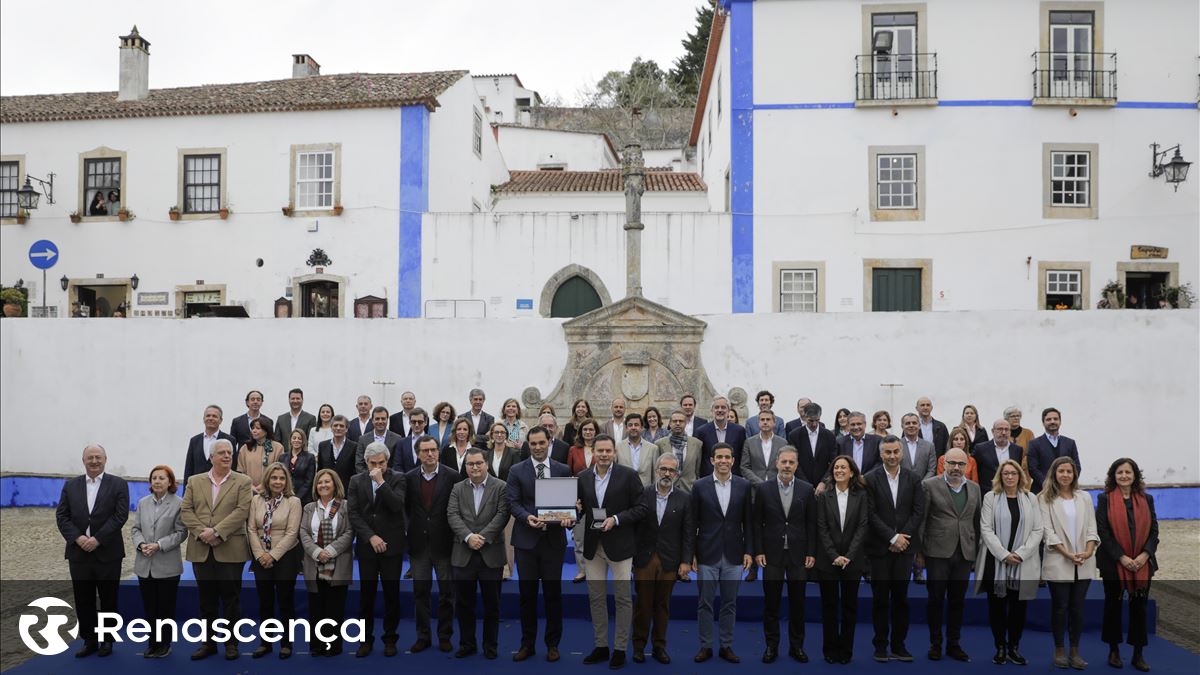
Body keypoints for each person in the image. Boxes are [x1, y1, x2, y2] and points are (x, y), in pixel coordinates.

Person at [578, 434, 646, 669]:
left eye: (608, 451)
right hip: (593, 547)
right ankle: (601, 646)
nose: (604, 454)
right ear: (593, 452)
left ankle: (619, 649)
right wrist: (570, 512)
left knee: (623, 599)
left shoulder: (628, 475)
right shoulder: (583, 477)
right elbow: (579, 510)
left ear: (614, 453)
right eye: (600, 451)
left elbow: (641, 508)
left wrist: (616, 519)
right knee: (596, 598)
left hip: (620, 546)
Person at [180, 439, 252, 660]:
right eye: (221, 452)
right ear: (211, 457)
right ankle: (208, 643)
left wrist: (218, 532)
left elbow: (242, 511)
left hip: (230, 548)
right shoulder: (194, 480)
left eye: (229, 452)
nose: (227, 456)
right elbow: (186, 510)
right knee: (206, 599)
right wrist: (203, 532)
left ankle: (231, 644)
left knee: (231, 599)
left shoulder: (243, 481)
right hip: (202, 548)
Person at [507, 426, 574, 662]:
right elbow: (512, 503)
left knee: (553, 595)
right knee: (527, 596)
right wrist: (527, 517)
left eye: (541, 443)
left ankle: (553, 644)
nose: (537, 447)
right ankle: (527, 644)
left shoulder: (563, 469)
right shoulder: (516, 470)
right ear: (528, 444)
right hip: (526, 541)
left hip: (553, 542)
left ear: (549, 442)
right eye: (533, 444)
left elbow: (568, 506)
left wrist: (568, 517)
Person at [56, 444, 129, 658]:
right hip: (78, 553)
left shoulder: (118, 484)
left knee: (108, 598)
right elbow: (62, 516)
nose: (94, 461)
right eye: (90, 458)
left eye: (98, 457)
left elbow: (120, 516)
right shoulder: (71, 486)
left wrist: (97, 539)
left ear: (106, 459)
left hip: (108, 552)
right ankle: (89, 640)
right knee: (83, 598)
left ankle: (107, 640)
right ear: (83, 461)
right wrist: (78, 537)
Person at [975, 459, 1042, 666]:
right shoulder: (991, 497)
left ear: (1020, 476)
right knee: (996, 608)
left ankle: (1014, 647)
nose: (1010, 477)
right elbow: (986, 529)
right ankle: (1000, 647)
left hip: (1023, 562)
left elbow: (1038, 530)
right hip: (996, 563)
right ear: (1000, 476)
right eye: (1006, 474)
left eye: (1014, 473)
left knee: (1018, 609)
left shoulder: (1031, 498)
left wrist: (1021, 554)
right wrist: (1004, 555)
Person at [752, 447, 817, 664]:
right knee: (771, 604)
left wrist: (811, 552)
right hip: (772, 555)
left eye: (791, 462)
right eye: (784, 462)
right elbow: (756, 524)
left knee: (798, 604)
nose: (787, 466)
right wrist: (758, 550)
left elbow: (811, 524)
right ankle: (771, 646)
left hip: (798, 555)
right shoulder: (763, 489)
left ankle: (796, 647)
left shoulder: (807, 490)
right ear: (777, 463)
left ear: (797, 465)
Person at [691, 443, 753, 664]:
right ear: (712, 460)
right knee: (705, 603)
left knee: (730, 603)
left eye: (728, 457)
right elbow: (692, 523)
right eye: (719, 457)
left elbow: (749, 522)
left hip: (735, 555)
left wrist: (749, 551)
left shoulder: (744, 486)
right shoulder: (699, 486)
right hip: (707, 553)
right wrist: (692, 554)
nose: (724, 461)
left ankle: (726, 645)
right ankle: (706, 646)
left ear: (733, 460)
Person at [865, 436, 925, 663]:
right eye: (887, 452)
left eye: (895, 452)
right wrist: (891, 537)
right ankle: (880, 646)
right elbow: (869, 513)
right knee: (880, 599)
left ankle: (899, 645)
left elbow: (918, 511)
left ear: (901, 453)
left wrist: (902, 538)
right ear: (881, 454)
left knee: (901, 599)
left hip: (905, 549)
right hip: (880, 548)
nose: (891, 456)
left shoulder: (913, 478)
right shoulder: (870, 479)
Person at [447, 447, 510, 659]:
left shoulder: (501, 486)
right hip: (463, 554)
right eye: (470, 464)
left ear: (486, 464)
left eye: (478, 463)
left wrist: (481, 537)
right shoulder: (457, 488)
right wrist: (468, 537)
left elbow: (502, 514)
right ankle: (467, 644)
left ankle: (490, 646)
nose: (474, 467)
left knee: (492, 604)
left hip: (490, 553)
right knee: (464, 605)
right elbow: (452, 514)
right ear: (465, 467)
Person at [920, 447, 981, 663]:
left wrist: (976, 552)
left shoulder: (974, 489)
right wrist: (920, 553)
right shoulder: (929, 485)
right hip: (937, 552)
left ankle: (954, 644)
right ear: (944, 463)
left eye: (961, 464)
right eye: (952, 463)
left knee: (958, 601)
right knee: (935, 600)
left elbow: (977, 522)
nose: (956, 468)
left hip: (964, 553)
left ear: (968, 466)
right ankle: (935, 644)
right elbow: (922, 520)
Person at [1096, 458, 1157, 672]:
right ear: (1113, 475)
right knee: (1113, 606)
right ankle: (1113, 650)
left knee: (1138, 608)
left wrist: (1145, 555)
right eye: (1119, 472)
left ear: (1135, 475)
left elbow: (1154, 532)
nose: (1124, 476)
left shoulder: (1147, 499)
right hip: (1113, 563)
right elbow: (1103, 531)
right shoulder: (1104, 499)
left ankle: (1138, 654)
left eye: (1128, 472)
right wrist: (1121, 557)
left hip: (1142, 563)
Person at [632, 454, 694, 665]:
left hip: (670, 560)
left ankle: (659, 646)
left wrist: (686, 561)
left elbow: (688, 533)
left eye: (672, 470)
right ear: (657, 470)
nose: (667, 473)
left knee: (662, 605)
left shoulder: (685, 498)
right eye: (663, 469)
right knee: (643, 605)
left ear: (677, 474)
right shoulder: (642, 494)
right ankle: (638, 647)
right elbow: (634, 526)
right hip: (644, 558)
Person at [347, 442, 407, 657]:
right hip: (367, 546)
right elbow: (353, 513)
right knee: (366, 596)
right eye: (373, 463)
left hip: (392, 545)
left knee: (392, 595)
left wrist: (381, 482)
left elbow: (397, 505)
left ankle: (390, 639)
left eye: (381, 463)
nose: (377, 467)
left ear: (387, 461)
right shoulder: (356, 480)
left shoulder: (398, 478)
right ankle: (365, 640)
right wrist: (370, 536)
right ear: (366, 462)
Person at [1040, 456, 1099, 670]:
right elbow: (1048, 532)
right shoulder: (1044, 498)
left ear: (1074, 474)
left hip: (1084, 560)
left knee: (1078, 609)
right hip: (1058, 560)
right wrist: (1067, 554)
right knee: (1060, 607)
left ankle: (1075, 650)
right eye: (1061, 471)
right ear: (1054, 474)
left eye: (1069, 471)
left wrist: (1089, 550)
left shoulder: (1083, 497)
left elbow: (1092, 528)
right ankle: (1059, 650)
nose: (1065, 475)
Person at [406, 435, 461, 653]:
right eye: (425, 450)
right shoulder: (409, 478)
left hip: (444, 544)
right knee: (421, 592)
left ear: (439, 452)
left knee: (447, 593)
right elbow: (406, 508)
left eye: (433, 450)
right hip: (419, 544)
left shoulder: (453, 476)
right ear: (418, 454)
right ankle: (423, 636)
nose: (430, 454)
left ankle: (445, 635)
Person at [247, 462, 303, 659]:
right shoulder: (256, 501)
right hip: (261, 557)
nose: (278, 481)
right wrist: (260, 554)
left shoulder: (293, 501)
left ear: (286, 481)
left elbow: (292, 533)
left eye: (281, 478)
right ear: (267, 480)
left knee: (285, 601)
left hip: (285, 556)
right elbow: (252, 529)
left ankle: (286, 643)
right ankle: (265, 643)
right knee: (265, 602)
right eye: (274, 478)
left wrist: (273, 555)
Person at [816, 455, 868, 664]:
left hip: (852, 561)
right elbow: (821, 527)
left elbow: (862, 526)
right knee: (829, 607)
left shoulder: (862, 495)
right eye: (836, 467)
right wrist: (834, 555)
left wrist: (848, 556)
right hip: (828, 561)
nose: (839, 470)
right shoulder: (824, 495)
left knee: (849, 607)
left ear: (852, 472)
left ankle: (846, 650)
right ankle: (829, 649)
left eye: (843, 467)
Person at [132, 465, 186, 659]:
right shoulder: (142, 502)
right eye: (154, 478)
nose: (157, 481)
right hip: (144, 564)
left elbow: (181, 533)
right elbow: (135, 528)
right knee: (150, 607)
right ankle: (152, 642)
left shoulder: (179, 503)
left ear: (170, 482)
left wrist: (159, 545)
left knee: (165, 607)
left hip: (167, 565)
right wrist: (141, 545)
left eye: (162, 478)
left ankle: (165, 643)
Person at [300, 469, 353, 656]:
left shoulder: (345, 506)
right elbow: (304, 532)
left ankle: (333, 646)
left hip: (338, 562)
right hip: (314, 562)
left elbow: (348, 532)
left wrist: (330, 551)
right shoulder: (309, 508)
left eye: (327, 482)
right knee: (316, 607)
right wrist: (316, 552)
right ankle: (316, 645)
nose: (323, 485)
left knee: (335, 607)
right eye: (320, 482)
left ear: (335, 484)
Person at [568, 417, 602, 581]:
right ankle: (582, 570)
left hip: (599, 499)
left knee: (598, 535)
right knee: (579, 536)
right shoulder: (573, 450)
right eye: (585, 429)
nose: (588, 432)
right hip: (579, 500)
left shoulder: (602, 449)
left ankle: (597, 570)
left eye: (591, 429)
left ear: (596, 432)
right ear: (581, 432)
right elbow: (569, 473)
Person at [484, 422, 519, 579]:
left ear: (506, 435)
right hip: (489, 499)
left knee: (507, 537)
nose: (499, 435)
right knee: (491, 534)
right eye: (496, 432)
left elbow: (516, 477)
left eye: (502, 432)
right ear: (491, 435)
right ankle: (492, 567)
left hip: (508, 499)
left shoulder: (513, 453)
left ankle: (507, 571)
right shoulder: (486, 454)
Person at [1027, 408, 1081, 492]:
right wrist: (1048, 484)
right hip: (1042, 490)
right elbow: (1032, 469)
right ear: (1043, 422)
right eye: (1048, 419)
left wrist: (1066, 483)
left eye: (1055, 419)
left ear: (1060, 421)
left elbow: (1076, 466)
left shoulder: (1070, 443)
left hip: (1066, 490)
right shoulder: (1034, 444)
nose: (1052, 421)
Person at [787, 402, 836, 491]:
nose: (814, 424)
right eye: (811, 421)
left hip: (824, 487)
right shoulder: (794, 436)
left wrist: (823, 482)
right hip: (801, 485)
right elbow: (793, 461)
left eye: (817, 420)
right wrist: (806, 484)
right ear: (804, 417)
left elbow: (833, 461)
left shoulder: (829, 436)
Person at [184, 404, 238, 484]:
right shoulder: (194, 441)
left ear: (221, 420)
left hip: (221, 486)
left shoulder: (229, 440)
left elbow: (233, 466)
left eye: (214, 416)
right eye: (208, 416)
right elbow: (189, 467)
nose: (210, 418)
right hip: (198, 486)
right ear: (203, 419)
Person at [695, 396, 748, 477]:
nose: (720, 410)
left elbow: (741, 456)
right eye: (716, 407)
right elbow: (699, 458)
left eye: (723, 407)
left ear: (728, 410)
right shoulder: (701, 431)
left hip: (733, 477)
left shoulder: (739, 431)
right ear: (712, 410)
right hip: (708, 478)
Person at [656, 410, 703, 492]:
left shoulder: (697, 444)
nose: (677, 423)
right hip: (666, 489)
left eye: (681, 421)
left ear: (686, 423)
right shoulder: (660, 443)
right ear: (670, 424)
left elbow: (697, 470)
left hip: (689, 489)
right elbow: (657, 469)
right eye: (674, 421)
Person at [237, 417, 284, 495]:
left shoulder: (278, 448)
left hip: (271, 490)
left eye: (258, 428)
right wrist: (250, 486)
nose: (254, 431)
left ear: (266, 431)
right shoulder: (245, 448)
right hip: (248, 490)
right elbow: (240, 471)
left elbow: (279, 470)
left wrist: (264, 485)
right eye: (253, 428)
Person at [742, 409, 788, 485]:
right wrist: (759, 483)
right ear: (758, 423)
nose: (765, 422)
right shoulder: (749, 442)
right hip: (755, 488)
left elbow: (785, 465)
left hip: (777, 487)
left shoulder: (783, 443)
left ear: (774, 423)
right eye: (762, 420)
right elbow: (744, 467)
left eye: (768, 419)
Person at [975, 419, 1026, 489]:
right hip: (988, 492)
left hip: (1010, 491)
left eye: (1007, 429)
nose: (1004, 432)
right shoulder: (981, 449)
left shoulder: (1017, 450)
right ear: (993, 431)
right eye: (1000, 429)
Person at [356, 406, 402, 475]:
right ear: (372, 420)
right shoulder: (363, 439)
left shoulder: (397, 439)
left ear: (387, 420)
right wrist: (369, 478)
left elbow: (397, 463)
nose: (380, 421)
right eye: (377, 419)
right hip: (368, 480)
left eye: (383, 419)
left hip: (389, 480)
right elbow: (359, 464)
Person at [617, 412, 658, 485]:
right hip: (624, 490)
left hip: (645, 492)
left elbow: (655, 475)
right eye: (630, 425)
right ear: (626, 428)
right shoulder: (617, 447)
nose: (633, 427)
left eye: (636, 425)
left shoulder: (653, 448)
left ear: (642, 428)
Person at [317, 415, 355, 491]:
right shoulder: (322, 446)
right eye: (335, 425)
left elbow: (354, 471)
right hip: (326, 490)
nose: (338, 428)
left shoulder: (354, 446)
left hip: (346, 490)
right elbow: (320, 470)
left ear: (346, 429)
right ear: (331, 428)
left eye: (341, 426)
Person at [896, 413, 937, 478]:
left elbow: (932, 470)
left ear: (919, 426)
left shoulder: (929, 446)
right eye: (907, 423)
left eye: (914, 423)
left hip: (923, 486)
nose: (911, 425)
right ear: (902, 426)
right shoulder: (896, 445)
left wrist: (921, 484)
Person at [391, 407, 430, 473]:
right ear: (409, 422)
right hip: (404, 480)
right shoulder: (401, 443)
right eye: (413, 422)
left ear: (425, 422)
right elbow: (397, 465)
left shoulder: (431, 442)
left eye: (420, 422)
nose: (417, 425)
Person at [284, 428, 316, 505]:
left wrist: (297, 497)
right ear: (290, 440)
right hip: (285, 496)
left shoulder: (310, 457)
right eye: (294, 438)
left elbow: (309, 481)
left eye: (299, 438)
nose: (296, 440)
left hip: (303, 498)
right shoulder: (282, 457)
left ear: (303, 441)